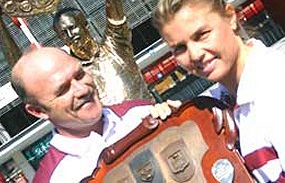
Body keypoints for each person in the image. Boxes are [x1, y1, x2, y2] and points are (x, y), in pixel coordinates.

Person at [152, 0, 285, 182]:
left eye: (202, 34)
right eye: (179, 48)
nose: (195, 54)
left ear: (230, 16)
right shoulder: (218, 103)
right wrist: (173, 126)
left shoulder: (279, 86)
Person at [10, 47, 177, 183]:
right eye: (63, 90)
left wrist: (180, 121)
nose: (82, 90)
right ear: (38, 111)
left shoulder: (141, 113)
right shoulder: (54, 179)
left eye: (80, 75)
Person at [53, 0, 153, 106]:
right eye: (63, 33)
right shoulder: (74, 76)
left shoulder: (115, 44)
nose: (70, 35)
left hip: (149, 116)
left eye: (72, 28)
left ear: (85, 25)